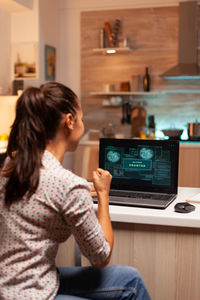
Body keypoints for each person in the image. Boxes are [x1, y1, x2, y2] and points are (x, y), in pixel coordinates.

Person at [0, 81, 151, 300]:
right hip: (33, 294)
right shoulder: (68, 186)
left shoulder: (11, 165)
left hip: (14, 282)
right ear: (69, 121)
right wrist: (103, 193)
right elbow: (101, 257)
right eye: (81, 117)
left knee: (130, 279)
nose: (82, 123)